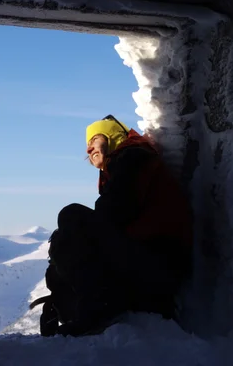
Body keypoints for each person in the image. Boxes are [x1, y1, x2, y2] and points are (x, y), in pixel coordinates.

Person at [31, 114, 194, 337]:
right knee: (61, 255)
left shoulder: (133, 158)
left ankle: (97, 310)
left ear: (112, 137)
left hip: (159, 263)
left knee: (71, 216)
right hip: (148, 268)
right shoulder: (121, 167)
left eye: (94, 140)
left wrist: (66, 242)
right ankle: (79, 315)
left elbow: (114, 213)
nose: (88, 150)